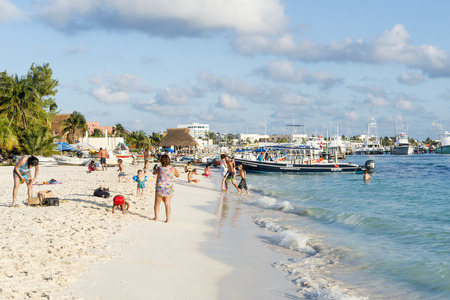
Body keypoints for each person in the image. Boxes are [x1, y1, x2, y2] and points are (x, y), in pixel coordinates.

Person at [152, 154, 179, 223]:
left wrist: (157, 170)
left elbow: (153, 173)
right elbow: (177, 175)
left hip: (160, 187)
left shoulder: (159, 168)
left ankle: (156, 218)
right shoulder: (172, 168)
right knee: (167, 204)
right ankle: (167, 220)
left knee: (157, 204)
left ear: (161, 161)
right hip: (169, 188)